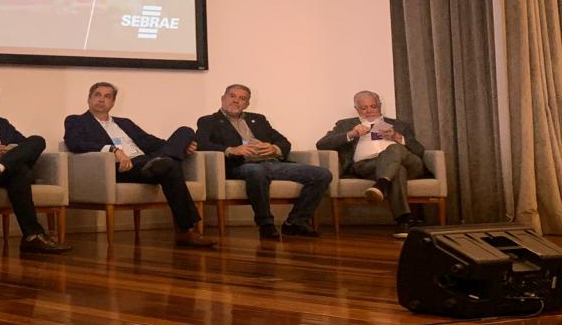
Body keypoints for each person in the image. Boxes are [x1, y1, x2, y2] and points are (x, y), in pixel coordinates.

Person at [64, 82, 215, 248]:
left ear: (113, 102)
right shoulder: (76, 121)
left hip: (147, 160)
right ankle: (186, 231)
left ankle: (159, 163)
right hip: (124, 167)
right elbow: (75, 143)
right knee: (170, 164)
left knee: (185, 132)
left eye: (107, 96)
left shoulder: (124, 123)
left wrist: (182, 146)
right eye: (97, 95)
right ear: (89, 98)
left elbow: (150, 142)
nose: (101, 99)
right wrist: (112, 149)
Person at [195, 84, 332, 240]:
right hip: (241, 165)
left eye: (242, 98)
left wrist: (274, 148)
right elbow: (201, 143)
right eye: (232, 96)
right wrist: (231, 150)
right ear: (223, 98)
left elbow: (283, 142)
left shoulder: (258, 119)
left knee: (322, 174)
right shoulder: (208, 121)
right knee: (257, 171)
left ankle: (296, 222)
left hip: (273, 163)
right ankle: (266, 224)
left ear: (247, 104)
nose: (236, 100)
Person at [0, 79, 71, 253]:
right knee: (20, 171)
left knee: (37, 140)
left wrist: (7, 153)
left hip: (1, 170)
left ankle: (0, 167)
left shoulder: (1, 123)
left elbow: (24, 145)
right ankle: (32, 236)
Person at [316, 90, 428, 238]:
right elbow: (321, 144)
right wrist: (351, 134)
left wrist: (397, 137)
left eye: (373, 106)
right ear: (356, 109)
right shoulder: (345, 124)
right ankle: (403, 221)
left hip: (409, 164)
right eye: (364, 108)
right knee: (398, 170)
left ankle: (381, 185)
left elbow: (419, 150)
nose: (369, 111)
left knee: (394, 149)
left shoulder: (398, 124)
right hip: (368, 165)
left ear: (379, 105)